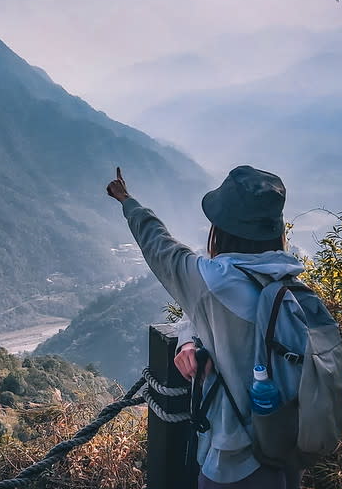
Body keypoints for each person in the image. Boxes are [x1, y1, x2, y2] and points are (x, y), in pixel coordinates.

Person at [106, 165, 304, 489]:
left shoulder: (215, 283)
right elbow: (212, 321)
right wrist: (189, 339)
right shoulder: (287, 280)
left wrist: (126, 200)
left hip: (235, 462)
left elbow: (160, 246)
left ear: (222, 229)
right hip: (287, 452)